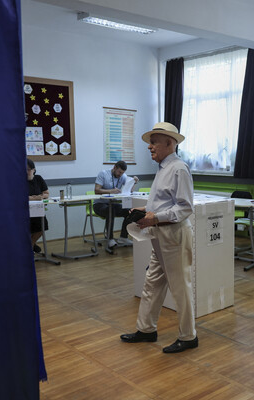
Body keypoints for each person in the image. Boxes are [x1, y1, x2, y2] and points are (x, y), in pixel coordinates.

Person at [120, 122, 198, 354]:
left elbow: (185, 207)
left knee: (180, 288)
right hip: (161, 235)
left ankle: (189, 336)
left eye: (154, 142)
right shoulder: (164, 168)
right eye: (150, 142)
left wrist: (155, 217)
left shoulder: (179, 168)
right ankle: (146, 330)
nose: (149, 146)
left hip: (174, 235)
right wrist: (146, 210)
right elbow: (165, 202)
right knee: (152, 284)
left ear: (169, 143)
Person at [93, 160, 138, 251]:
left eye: (122, 173)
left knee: (130, 211)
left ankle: (123, 237)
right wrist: (111, 191)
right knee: (111, 211)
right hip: (99, 204)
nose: (120, 175)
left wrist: (134, 182)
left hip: (113, 204)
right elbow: (96, 190)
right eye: (119, 172)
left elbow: (130, 191)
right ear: (114, 168)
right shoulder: (103, 174)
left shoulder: (123, 176)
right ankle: (110, 239)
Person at [27, 159, 49, 254]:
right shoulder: (18, 180)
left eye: (28, 169)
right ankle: (30, 245)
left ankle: (31, 244)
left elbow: (46, 193)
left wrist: (39, 197)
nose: (26, 172)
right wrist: (35, 197)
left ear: (34, 170)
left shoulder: (38, 178)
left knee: (42, 226)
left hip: (37, 209)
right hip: (24, 211)